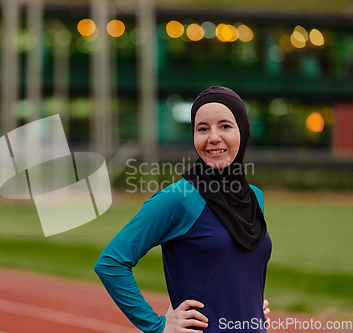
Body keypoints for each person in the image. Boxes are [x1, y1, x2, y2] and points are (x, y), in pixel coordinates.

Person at [94, 86, 272, 333]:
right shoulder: (180, 197)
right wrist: (158, 326)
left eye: (225, 126)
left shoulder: (255, 197)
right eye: (202, 129)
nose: (213, 137)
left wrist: (249, 305)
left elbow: (238, 269)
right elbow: (111, 263)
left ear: (243, 130)